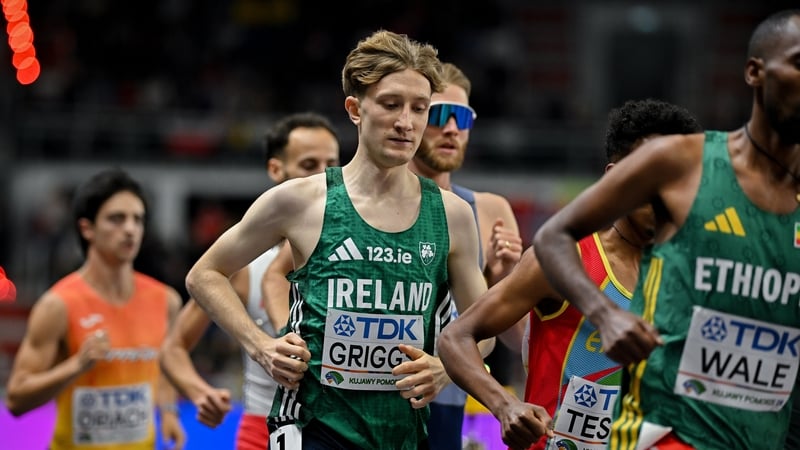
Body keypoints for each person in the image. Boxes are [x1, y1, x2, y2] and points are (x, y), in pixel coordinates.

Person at [184, 29, 499, 449]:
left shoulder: (452, 215)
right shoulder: (301, 201)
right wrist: (260, 346)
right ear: (355, 109)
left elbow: (484, 329)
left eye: (419, 108)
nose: (406, 122)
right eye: (391, 104)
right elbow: (204, 274)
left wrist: (445, 367)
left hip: (402, 434)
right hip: (313, 427)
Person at [530, 9, 800, 450]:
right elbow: (552, 236)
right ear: (755, 71)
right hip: (666, 437)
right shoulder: (683, 163)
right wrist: (605, 315)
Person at [438, 99, 701, 450]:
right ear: (616, 178)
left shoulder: (694, 275)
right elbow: (455, 338)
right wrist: (504, 405)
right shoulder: (563, 261)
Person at [159, 111, 340, 450]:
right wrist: (201, 393)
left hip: (341, 432)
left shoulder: (358, 256)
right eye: (308, 164)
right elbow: (173, 347)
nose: (322, 176)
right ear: (276, 170)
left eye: (331, 164)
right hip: (263, 430)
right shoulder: (247, 268)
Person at [4, 168, 185, 450]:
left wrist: (169, 412)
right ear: (87, 228)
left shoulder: (166, 301)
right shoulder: (58, 305)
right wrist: (76, 365)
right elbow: (16, 399)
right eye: (117, 218)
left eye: (137, 219)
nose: (130, 229)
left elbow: (166, 366)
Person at [408, 61, 524, 450]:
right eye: (439, 115)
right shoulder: (370, 202)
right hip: (370, 390)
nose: (452, 129)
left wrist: (504, 278)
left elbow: (518, 341)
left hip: (448, 399)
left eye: (462, 117)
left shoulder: (490, 210)